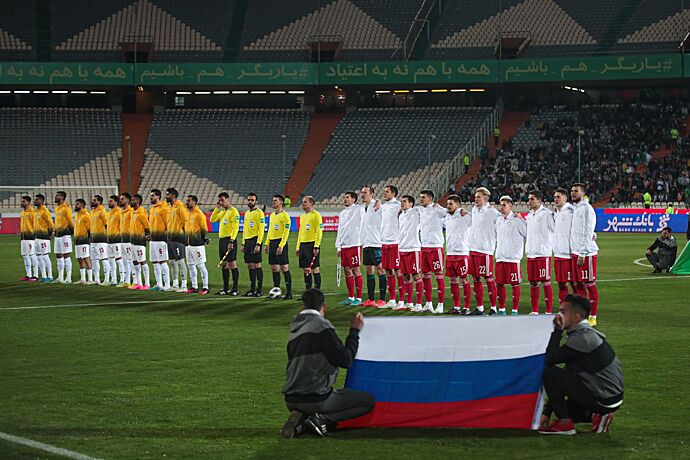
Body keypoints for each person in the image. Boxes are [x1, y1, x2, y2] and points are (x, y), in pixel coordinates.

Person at [281, 289, 374, 438]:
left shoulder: (294, 329)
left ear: (302, 307)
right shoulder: (321, 327)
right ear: (324, 307)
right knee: (367, 402)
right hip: (316, 398)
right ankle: (321, 419)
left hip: (290, 398)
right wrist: (354, 331)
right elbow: (346, 360)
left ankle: (300, 423)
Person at [539, 294, 624, 435]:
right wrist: (547, 412)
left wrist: (557, 331)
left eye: (563, 312)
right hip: (610, 397)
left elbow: (549, 360)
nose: (558, 315)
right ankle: (597, 416)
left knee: (549, 372)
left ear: (576, 317)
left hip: (604, 397)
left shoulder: (582, 339)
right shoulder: (585, 335)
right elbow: (567, 372)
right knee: (563, 407)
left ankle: (566, 426)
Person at [570, 183, 599, 327]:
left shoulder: (587, 209)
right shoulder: (575, 209)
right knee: (578, 284)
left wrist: (582, 253)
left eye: (576, 191)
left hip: (586, 253)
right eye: (572, 191)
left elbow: (588, 231)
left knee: (590, 285)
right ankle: (582, 314)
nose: (573, 193)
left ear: (583, 193)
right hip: (575, 253)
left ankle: (593, 316)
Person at [468, 187, 500, 315]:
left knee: (488, 278)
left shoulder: (493, 212)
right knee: (475, 278)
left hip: (485, 250)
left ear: (485, 198)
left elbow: (501, 224)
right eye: (475, 197)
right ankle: (480, 308)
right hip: (473, 248)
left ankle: (493, 308)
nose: (476, 199)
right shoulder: (474, 210)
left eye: (478, 197)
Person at [494, 196, 526, 316]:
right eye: (500, 205)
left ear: (510, 206)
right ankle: (501, 309)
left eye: (504, 205)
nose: (501, 207)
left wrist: (522, 220)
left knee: (514, 284)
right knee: (500, 284)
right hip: (501, 257)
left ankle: (514, 310)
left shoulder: (517, 220)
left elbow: (527, 233)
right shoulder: (499, 220)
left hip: (513, 259)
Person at [526, 190, 555, 314]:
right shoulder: (529, 215)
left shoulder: (547, 214)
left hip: (543, 253)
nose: (529, 202)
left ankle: (548, 311)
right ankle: (535, 310)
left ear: (539, 200)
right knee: (533, 283)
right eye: (529, 199)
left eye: (532, 199)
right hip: (531, 253)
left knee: (545, 281)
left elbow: (555, 230)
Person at [419, 189, 447, 314]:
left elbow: (450, 212)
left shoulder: (437, 209)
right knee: (425, 275)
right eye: (420, 197)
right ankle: (429, 303)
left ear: (430, 199)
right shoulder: (420, 210)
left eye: (423, 197)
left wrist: (440, 206)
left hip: (435, 246)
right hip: (423, 247)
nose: (421, 199)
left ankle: (440, 304)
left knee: (438, 275)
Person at [443, 195, 472, 315]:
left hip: (462, 253)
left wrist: (468, 212)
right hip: (450, 253)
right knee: (453, 280)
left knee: (464, 279)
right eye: (447, 204)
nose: (448, 206)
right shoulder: (447, 217)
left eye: (451, 204)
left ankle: (467, 307)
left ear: (458, 205)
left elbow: (478, 220)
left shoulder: (465, 216)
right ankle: (456, 306)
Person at [336, 192, 365, 306]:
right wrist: (338, 246)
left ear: (353, 200)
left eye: (347, 197)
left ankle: (359, 298)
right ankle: (351, 297)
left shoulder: (359, 209)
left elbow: (367, 203)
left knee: (355, 270)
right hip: (344, 246)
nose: (345, 199)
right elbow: (340, 230)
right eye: (344, 197)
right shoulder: (342, 213)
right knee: (347, 271)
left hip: (354, 244)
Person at [359, 186, 385, 307]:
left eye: (365, 192)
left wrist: (379, 201)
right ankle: (370, 299)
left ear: (372, 194)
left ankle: (382, 299)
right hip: (367, 244)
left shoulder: (378, 206)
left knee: (380, 269)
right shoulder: (364, 208)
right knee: (369, 269)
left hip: (376, 243)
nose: (362, 194)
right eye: (362, 192)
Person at [398, 195, 425, 312]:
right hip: (402, 249)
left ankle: (418, 303)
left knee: (416, 275)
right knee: (405, 276)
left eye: (404, 201)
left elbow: (426, 207)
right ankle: (409, 302)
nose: (402, 203)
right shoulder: (400, 215)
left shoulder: (416, 212)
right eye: (401, 201)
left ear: (411, 204)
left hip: (413, 249)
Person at [211, 192, 240, 295]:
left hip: (230, 240)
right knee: (224, 265)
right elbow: (212, 219)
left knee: (232, 264)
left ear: (228, 200)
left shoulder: (233, 211)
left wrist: (232, 241)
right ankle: (226, 288)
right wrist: (217, 208)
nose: (221, 202)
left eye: (222, 200)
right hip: (222, 240)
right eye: (220, 200)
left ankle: (235, 289)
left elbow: (236, 227)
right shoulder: (223, 211)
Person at [379, 185, 404, 309]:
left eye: (387, 192)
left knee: (398, 270)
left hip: (396, 242)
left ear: (393, 193)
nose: (384, 194)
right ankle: (392, 299)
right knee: (388, 270)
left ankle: (402, 300)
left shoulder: (399, 205)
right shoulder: (383, 207)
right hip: (384, 242)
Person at [265, 194, 292, 299]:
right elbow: (270, 231)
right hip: (272, 243)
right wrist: (267, 244)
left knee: (284, 267)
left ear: (281, 202)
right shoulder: (272, 215)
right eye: (273, 201)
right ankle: (277, 291)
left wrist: (281, 245)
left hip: (281, 243)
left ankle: (289, 293)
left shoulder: (285, 216)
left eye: (275, 201)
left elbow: (286, 232)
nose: (273, 202)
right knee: (274, 268)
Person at [296, 195, 323, 291]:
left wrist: (316, 246)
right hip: (303, 245)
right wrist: (298, 246)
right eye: (303, 202)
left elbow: (319, 231)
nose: (302, 204)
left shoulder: (316, 215)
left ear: (311, 204)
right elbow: (300, 232)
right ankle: (308, 291)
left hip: (312, 244)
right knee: (305, 269)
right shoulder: (303, 216)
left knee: (314, 268)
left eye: (305, 202)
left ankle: (317, 291)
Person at [553, 188, 575, 304]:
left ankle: (578, 308)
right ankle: (564, 307)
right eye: (555, 197)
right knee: (561, 284)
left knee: (574, 283)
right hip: (558, 253)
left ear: (565, 198)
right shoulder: (556, 212)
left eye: (558, 197)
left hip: (569, 254)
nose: (555, 199)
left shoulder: (572, 211)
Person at [241, 193, 265, 297]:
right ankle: (252, 289)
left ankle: (259, 290)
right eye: (249, 200)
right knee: (250, 265)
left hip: (255, 240)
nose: (250, 202)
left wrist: (258, 243)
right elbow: (245, 229)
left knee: (257, 264)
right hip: (247, 241)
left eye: (252, 200)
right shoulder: (246, 213)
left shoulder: (259, 213)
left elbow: (261, 229)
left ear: (256, 201)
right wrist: (243, 243)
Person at [184, 195, 209, 295]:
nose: (187, 202)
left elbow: (204, 229)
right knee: (190, 265)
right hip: (188, 244)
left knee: (201, 265)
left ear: (194, 202)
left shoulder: (199, 214)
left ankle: (205, 287)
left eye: (189, 201)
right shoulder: (188, 214)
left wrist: (201, 239)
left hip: (197, 245)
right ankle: (194, 286)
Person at [166, 188, 189, 293]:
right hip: (170, 238)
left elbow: (186, 222)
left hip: (179, 238)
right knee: (172, 261)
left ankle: (184, 285)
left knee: (180, 261)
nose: (166, 196)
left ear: (173, 196)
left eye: (168, 195)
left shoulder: (180, 207)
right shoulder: (170, 207)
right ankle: (175, 284)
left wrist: (186, 236)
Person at [148, 189, 171, 291]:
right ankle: (159, 284)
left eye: (153, 196)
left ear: (158, 197)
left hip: (161, 239)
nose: (151, 197)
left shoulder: (164, 208)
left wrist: (166, 237)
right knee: (155, 262)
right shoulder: (152, 209)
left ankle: (167, 285)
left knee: (162, 261)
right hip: (153, 240)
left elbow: (168, 223)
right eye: (151, 195)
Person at [129, 194, 150, 290]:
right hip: (132, 241)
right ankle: (138, 283)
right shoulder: (134, 212)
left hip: (139, 242)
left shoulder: (141, 213)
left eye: (133, 200)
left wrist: (146, 236)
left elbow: (147, 226)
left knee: (142, 261)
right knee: (135, 262)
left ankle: (147, 283)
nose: (131, 201)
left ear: (137, 202)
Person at [53, 190, 74, 284]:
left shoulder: (66, 208)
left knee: (66, 255)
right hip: (57, 235)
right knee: (58, 255)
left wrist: (73, 232)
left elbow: (70, 221)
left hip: (65, 235)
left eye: (57, 196)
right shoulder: (57, 208)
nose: (55, 197)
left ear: (62, 197)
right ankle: (60, 277)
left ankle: (68, 277)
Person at [33, 194, 54, 282]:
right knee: (38, 257)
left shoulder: (45, 211)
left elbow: (50, 224)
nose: (35, 201)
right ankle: (44, 276)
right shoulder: (36, 211)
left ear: (41, 201)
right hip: (37, 237)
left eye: (36, 200)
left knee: (45, 256)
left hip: (44, 237)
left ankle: (50, 276)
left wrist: (49, 233)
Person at [73, 199, 93, 285]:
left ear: (81, 205)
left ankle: (90, 279)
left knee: (86, 259)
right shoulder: (77, 215)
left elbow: (90, 229)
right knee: (79, 259)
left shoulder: (86, 215)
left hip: (84, 241)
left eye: (77, 204)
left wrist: (88, 239)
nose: (75, 205)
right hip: (77, 241)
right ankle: (83, 279)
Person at [90, 195, 108, 285]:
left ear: (99, 202)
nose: (92, 201)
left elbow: (106, 224)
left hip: (101, 239)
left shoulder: (102, 211)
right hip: (93, 240)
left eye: (94, 200)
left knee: (104, 259)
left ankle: (107, 279)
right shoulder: (92, 212)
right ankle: (96, 279)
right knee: (94, 260)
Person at [19, 196, 39, 281]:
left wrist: (35, 235)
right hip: (23, 237)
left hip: (30, 237)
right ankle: (28, 275)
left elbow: (36, 225)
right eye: (21, 201)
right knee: (25, 255)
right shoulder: (22, 213)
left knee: (32, 255)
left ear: (28, 202)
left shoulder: (32, 212)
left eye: (23, 201)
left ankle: (36, 275)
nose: (21, 203)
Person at [106, 195, 122, 286]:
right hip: (109, 241)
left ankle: (123, 279)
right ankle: (114, 279)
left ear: (116, 202)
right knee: (111, 260)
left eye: (111, 201)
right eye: (109, 201)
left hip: (117, 240)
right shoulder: (109, 213)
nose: (109, 202)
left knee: (119, 260)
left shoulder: (119, 212)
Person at [118, 193, 134, 287]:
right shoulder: (122, 212)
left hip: (129, 240)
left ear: (127, 200)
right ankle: (127, 280)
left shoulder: (131, 211)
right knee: (125, 261)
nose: (120, 201)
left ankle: (135, 280)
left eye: (122, 199)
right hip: (122, 239)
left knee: (130, 260)